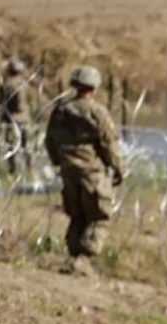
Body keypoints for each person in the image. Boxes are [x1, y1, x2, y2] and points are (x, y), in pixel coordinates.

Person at [44, 66, 124, 277]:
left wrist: (57, 161)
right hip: (92, 171)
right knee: (99, 216)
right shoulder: (97, 112)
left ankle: (74, 258)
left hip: (68, 170)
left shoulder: (60, 110)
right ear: (95, 87)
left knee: (77, 215)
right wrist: (117, 168)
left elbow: (50, 139)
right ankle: (84, 258)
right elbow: (108, 144)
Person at [0, 58, 32, 176]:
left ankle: (12, 169)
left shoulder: (5, 86)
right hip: (25, 119)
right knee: (26, 144)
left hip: (10, 120)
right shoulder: (25, 84)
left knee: (11, 145)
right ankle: (29, 167)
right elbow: (30, 100)